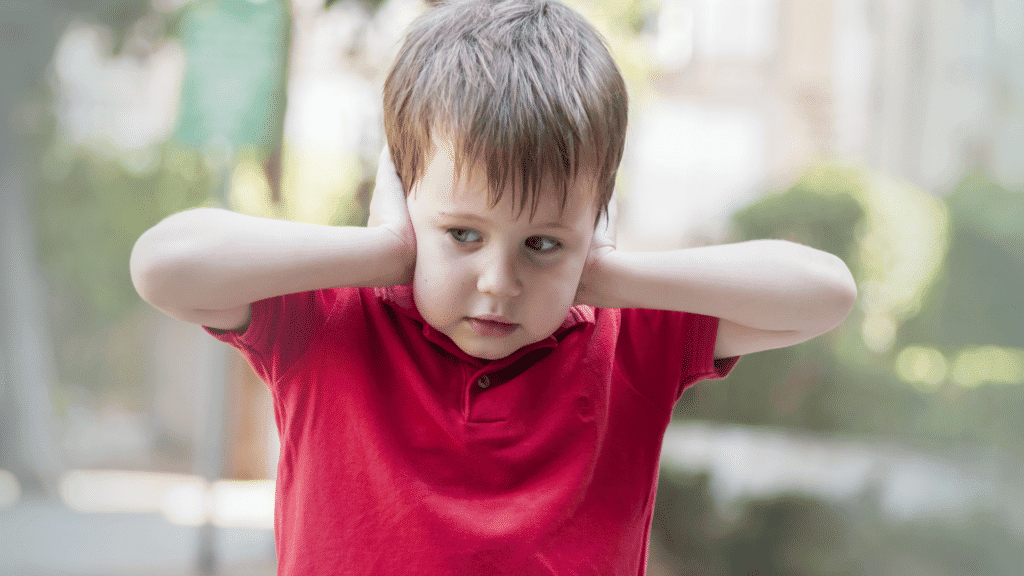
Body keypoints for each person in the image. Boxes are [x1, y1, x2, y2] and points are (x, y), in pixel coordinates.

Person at [130, 0, 857, 573]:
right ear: (404, 199)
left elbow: (826, 292)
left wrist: (598, 274)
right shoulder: (329, 322)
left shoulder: (629, 338)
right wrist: (384, 252)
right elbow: (163, 264)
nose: (499, 283)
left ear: (595, 225)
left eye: (542, 243)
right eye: (462, 235)